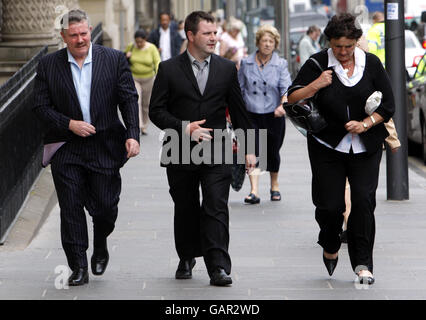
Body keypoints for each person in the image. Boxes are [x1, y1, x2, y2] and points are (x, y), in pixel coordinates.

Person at [32, 9, 140, 286]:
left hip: (105, 144)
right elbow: (40, 107)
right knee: (70, 208)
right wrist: (69, 124)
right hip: (67, 147)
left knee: (105, 208)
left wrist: (132, 134)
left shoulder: (113, 60)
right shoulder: (48, 65)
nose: (80, 40)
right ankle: (78, 265)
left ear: (90, 30)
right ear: (63, 36)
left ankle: (101, 239)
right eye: (74, 35)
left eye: (84, 33)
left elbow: (128, 99)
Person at [149, 11, 256, 286]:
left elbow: (240, 112)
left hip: (218, 148)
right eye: (207, 33)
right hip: (179, 148)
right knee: (185, 207)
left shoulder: (225, 68)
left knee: (216, 206)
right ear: (191, 35)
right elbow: (156, 112)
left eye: (215, 32)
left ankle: (218, 265)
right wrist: (185, 127)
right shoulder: (169, 69)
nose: (214, 38)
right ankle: (186, 256)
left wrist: (250, 149)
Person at [288, 13, 395, 285]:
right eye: (338, 47)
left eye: (348, 46)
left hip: (366, 146)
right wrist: (316, 84)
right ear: (329, 43)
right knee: (330, 206)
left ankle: (363, 264)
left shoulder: (371, 63)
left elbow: (388, 105)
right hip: (327, 145)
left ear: (357, 42)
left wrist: (366, 124)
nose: (343, 52)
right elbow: (292, 97)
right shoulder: (317, 63)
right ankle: (330, 241)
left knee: (362, 202)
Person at [238, 25, 292, 204]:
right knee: (252, 151)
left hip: (273, 115)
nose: (267, 44)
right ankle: (254, 190)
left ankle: (274, 185)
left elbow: (286, 88)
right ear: (258, 43)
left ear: (275, 44)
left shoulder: (281, 64)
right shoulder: (246, 63)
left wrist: (282, 106)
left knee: (272, 151)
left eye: (271, 41)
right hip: (251, 113)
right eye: (264, 41)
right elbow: (239, 89)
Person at [125, 29, 161, 135]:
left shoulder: (152, 48)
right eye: (137, 41)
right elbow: (123, 60)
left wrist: (160, 76)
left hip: (148, 78)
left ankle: (144, 125)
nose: (139, 44)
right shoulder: (131, 46)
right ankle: (138, 124)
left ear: (145, 39)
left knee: (146, 104)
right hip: (134, 77)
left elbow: (157, 62)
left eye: (141, 41)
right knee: (137, 101)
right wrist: (126, 55)